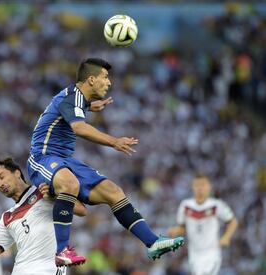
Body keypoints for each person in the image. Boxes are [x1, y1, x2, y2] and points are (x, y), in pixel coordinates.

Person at [27, 57, 184, 266]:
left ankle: (152, 242)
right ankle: (62, 250)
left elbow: (71, 108)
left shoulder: (77, 99)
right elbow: (79, 128)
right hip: (43, 158)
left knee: (113, 191)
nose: (109, 83)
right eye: (105, 77)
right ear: (91, 79)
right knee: (70, 184)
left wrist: (89, 106)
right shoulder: (71, 97)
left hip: (64, 160)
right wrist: (114, 141)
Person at [0, 157, 87, 275]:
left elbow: (81, 210)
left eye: (1, 177)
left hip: (49, 270)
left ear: (17, 173)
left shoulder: (44, 190)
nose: (0, 184)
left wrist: (54, 197)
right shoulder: (8, 217)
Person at [168, 175, 238, 275]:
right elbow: (182, 227)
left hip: (211, 251)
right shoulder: (185, 206)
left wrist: (226, 237)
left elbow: (233, 221)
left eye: (203, 185)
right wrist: (175, 231)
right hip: (194, 253)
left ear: (209, 187)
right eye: (197, 185)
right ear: (192, 187)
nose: (200, 188)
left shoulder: (217, 205)